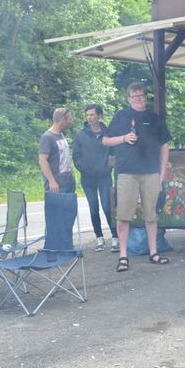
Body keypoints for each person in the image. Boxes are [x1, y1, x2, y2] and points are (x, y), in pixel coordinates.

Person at [102, 83, 171, 273]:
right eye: (135, 96)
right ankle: (123, 256)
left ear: (145, 97)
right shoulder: (121, 117)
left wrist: (162, 170)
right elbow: (105, 140)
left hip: (150, 172)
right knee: (124, 215)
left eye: (141, 95)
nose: (139, 98)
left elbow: (164, 145)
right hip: (126, 172)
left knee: (151, 214)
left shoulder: (154, 119)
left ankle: (153, 253)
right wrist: (124, 138)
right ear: (129, 98)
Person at [73, 104, 118, 252]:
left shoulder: (108, 133)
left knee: (107, 207)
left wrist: (108, 167)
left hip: (104, 177)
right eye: (87, 115)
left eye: (92, 115)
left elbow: (113, 153)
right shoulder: (80, 135)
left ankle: (115, 237)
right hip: (88, 178)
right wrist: (85, 168)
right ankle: (99, 238)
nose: (90, 118)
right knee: (93, 208)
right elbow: (76, 157)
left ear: (99, 115)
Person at [38, 107, 75, 194]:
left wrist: (72, 174)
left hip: (68, 183)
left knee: (69, 208)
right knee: (57, 207)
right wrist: (52, 181)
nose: (69, 122)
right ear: (63, 119)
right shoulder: (47, 137)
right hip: (57, 186)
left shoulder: (61, 135)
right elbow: (42, 161)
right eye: (68, 119)